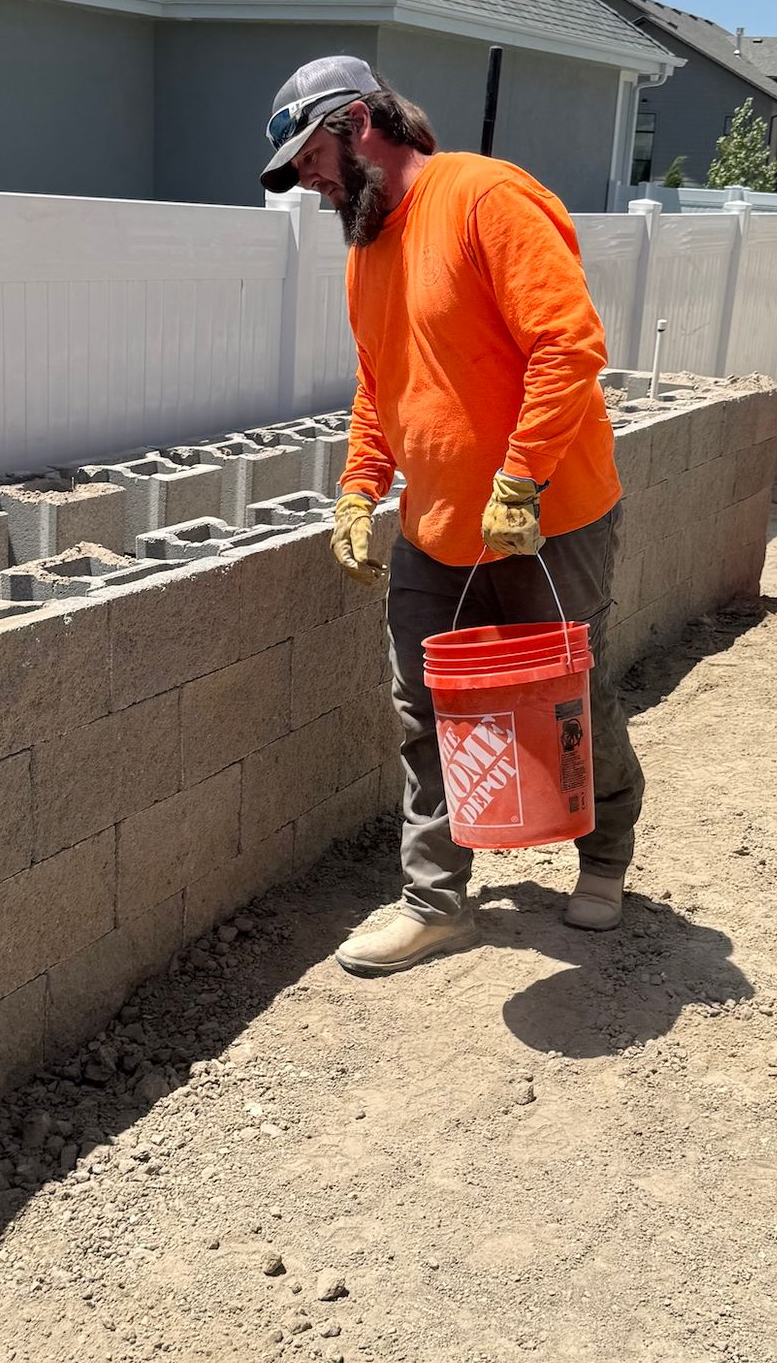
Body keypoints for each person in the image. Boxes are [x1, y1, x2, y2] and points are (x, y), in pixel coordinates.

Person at [259, 55, 644, 977]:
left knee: (566, 704)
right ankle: (435, 901)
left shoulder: (485, 198)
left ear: (358, 125)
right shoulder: (367, 246)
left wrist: (521, 478)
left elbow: (567, 344)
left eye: (311, 159)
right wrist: (360, 487)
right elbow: (379, 383)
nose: (309, 184)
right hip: (435, 530)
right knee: (426, 709)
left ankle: (605, 855)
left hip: (550, 516)